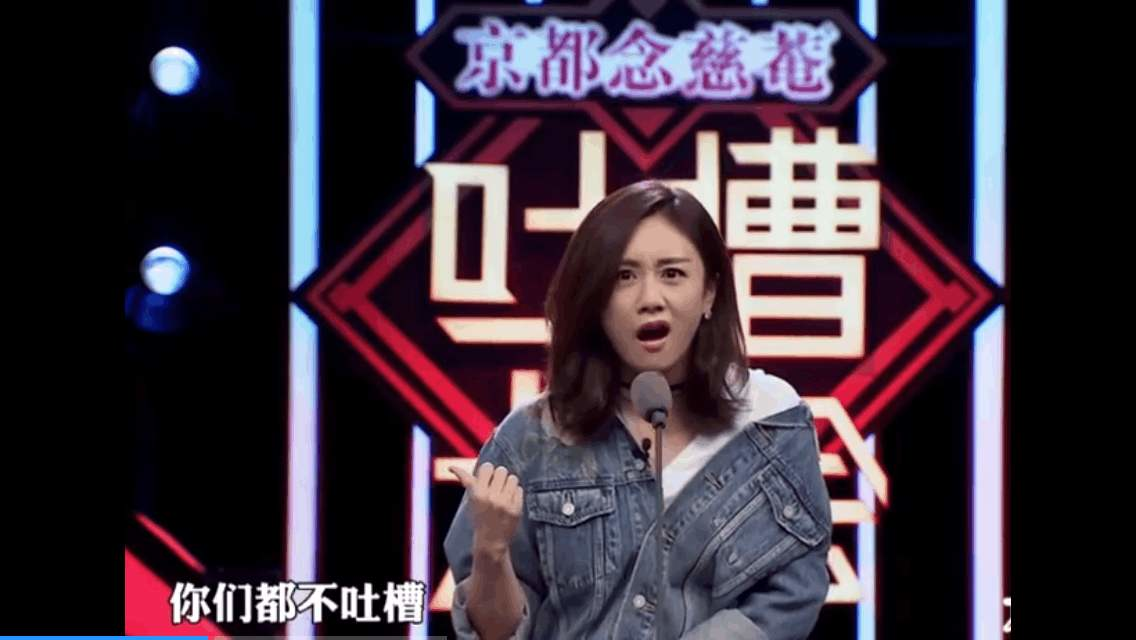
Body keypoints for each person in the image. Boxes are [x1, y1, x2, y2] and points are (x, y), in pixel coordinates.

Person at [444, 180, 832, 640]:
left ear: (709, 292)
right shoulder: (532, 438)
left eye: (673, 274)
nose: (650, 298)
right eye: (623, 276)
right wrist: (491, 550)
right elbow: (495, 632)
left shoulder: (772, 422)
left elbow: (791, 594)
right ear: (594, 300)